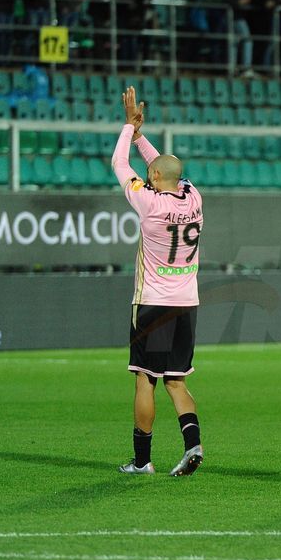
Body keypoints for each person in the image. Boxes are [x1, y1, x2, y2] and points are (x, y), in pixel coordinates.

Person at [111, 87, 204, 477]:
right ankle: (193, 445)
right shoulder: (193, 196)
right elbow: (163, 167)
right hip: (187, 303)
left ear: (152, 178)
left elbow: (119, 162)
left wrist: (128, 129)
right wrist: (142, 137)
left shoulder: (149, 203)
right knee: (177, 381)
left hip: (153, 302)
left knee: (146, 380)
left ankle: (142, 460)